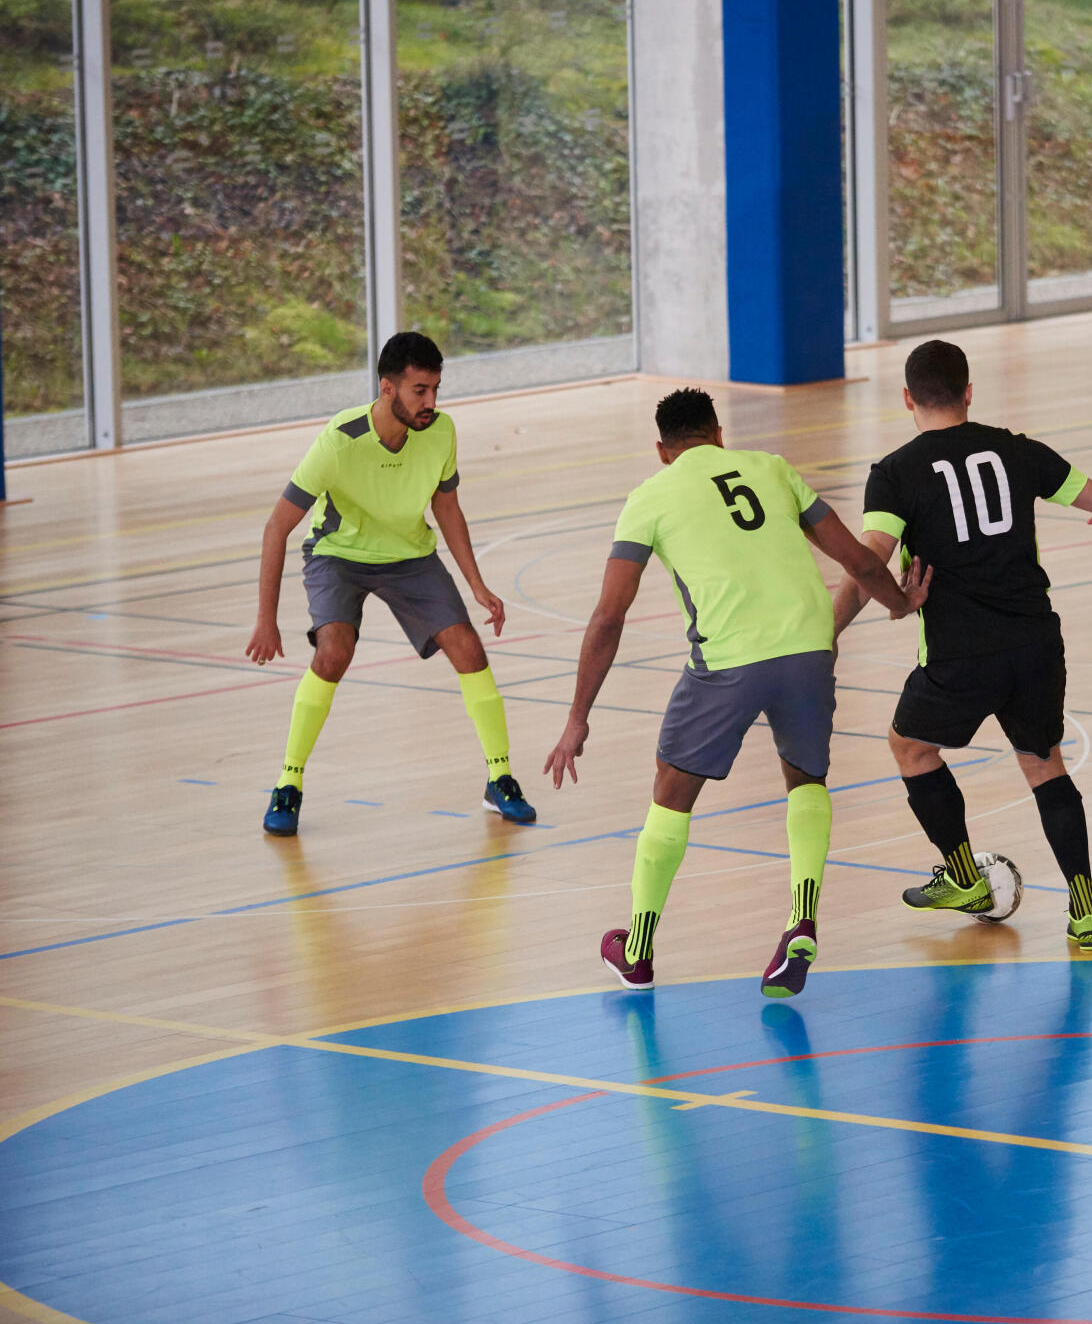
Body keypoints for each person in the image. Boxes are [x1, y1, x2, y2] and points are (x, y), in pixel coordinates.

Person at [543, 388, 928, 997]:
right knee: (805, 782)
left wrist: (577, 717)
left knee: (671, 795)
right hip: (810, 646)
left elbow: (609, 618)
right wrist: (902, 601)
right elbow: (856, 559)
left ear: (663, 451)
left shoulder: (650, 496)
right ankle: (801, 920)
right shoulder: (772, 469)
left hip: (728, 661)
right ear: (718, 434)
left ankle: (638, 951)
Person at [832, 340, 1092, 951]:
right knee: (1044, 762)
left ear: (908, 399)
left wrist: (826, 634)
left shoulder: (894, 473)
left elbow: (869, 561)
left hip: (959, 651)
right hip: (1035, 642)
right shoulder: (1019, 451)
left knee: (910, 748)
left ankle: (965, 878)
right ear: (969, 393)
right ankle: (1087, 910)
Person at [246, 331, 535, 834]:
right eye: (420, 390)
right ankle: (288, 784)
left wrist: (477, 585)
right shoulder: (339, 440)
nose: (431, 402)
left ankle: (500, 778)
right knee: (333, 652)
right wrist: (265, 620)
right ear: (388, 388)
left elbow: (447, 506)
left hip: (410, 556)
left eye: (436, 389)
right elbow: (277, 526)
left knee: (469, 649)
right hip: (339, 554)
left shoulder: (441, 432)